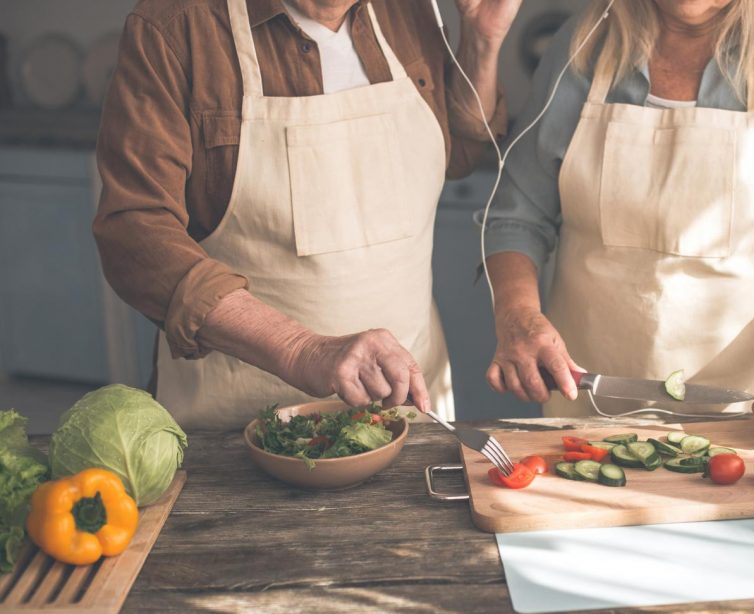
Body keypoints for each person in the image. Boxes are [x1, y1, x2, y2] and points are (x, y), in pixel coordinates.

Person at [93, 0, 520, 430]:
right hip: (237, 429)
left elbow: (460, 152)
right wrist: (303, 350)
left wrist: (481, 43)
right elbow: (134, 230)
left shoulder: (408, 9)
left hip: (410, 411)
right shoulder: (177, 25)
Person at [481, 0, 754, 441]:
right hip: (586, 403)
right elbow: (517, 214)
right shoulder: (583, 47)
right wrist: (517, 315)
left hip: (752, 410)